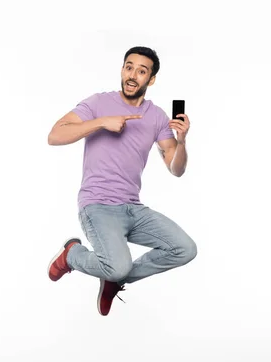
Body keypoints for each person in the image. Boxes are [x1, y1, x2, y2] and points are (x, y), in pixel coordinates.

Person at [46, 46, 197, 316]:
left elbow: (176, 168)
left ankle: (115, 279)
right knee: (117, 264)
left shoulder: (158, 117)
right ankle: (72, 254)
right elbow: (55, 135)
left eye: (141, 71)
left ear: (150, 80)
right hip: (97, 205)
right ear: (122, 69)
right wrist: (101, 122)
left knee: (185, 249)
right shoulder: (97, 103)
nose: (132, 75)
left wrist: (182, 142)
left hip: (133, 208)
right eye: (129, 67)